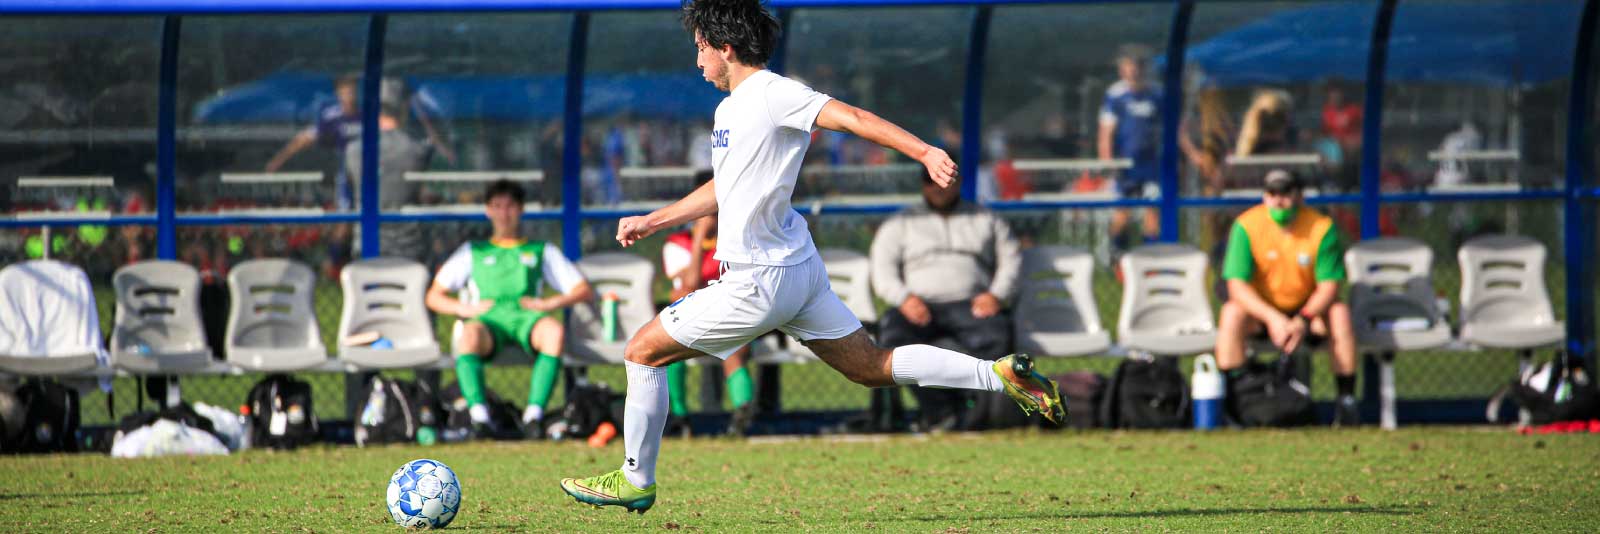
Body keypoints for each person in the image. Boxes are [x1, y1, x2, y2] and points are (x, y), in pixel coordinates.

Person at [559, 0, 1064, 514]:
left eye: (701, 49)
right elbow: (726, 188)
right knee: (871, 366)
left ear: (726, 48)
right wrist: (653, 221)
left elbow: (854, 117)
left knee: (642, 352)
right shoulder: (729, 109)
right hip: (798, 273)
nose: (698, 62)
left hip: (759, 280)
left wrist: (924, 152)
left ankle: (635, 479)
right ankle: (997, 374)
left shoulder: (775, 92)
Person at [425, 179, 594, 437]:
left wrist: (549, 303)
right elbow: (434, 297)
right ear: (488, 211)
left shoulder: (540, 250)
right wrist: (465, 309)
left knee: (554, 332)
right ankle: (479, 419)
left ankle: (533, 417)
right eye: (497, 206)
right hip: (488, 321)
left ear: (521, 210)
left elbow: (582, 289)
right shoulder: (473, 251)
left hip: (526, 317)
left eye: (510, 207)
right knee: (467, 336)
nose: (504, 213)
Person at [869, 168, 1021, 432]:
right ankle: (941, 412)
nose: (938, 187)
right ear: (922, 184)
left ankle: (979, 414)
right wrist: (904, 299)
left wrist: (996, 295)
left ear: (959, 182)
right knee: (893, 342)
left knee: (997, 338)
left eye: (945, 180)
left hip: (973, 306)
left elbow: (1012, 261)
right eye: (930, 180)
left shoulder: (986, 218)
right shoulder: (900, 223)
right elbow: (881, 271)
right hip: (918, 306)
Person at [1215, 169, 1359, 426]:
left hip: (1306, 312)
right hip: (1263, 314)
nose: (1278, 200)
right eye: (1272, 193)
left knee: (1339, 313)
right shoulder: (1246, 226)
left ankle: (1346, 402)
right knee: (1231, 313)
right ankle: (1234, 403)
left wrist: (1302, 319)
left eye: (1285, 193)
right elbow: (1236, 286)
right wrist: (1273, 319)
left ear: (1299, 196)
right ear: (1264, 197)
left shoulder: (1320, 227)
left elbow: (1329, 286)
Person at [659, 170, 759, 436]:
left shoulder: (738, 237)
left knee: (735, 350)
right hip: (696, 316)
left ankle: (742, 412)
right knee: (672, 342)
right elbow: (689, 286)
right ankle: (679, 416)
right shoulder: (677, 244)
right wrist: (698, 240)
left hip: (734, 316)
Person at [1098, 45, 1162, 259]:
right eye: (1128, 66)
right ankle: (1117, 256)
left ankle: (1149, 257)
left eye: (1137, 66)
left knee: (1152, 212)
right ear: (1122, 69)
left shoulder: (1156, 94)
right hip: (1124, 166)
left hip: (1150, 166)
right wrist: (1107, 161)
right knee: (1121, 214)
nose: (1133, 71)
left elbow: (1170, 128)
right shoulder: (1116, 95)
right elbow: (1106, 131)